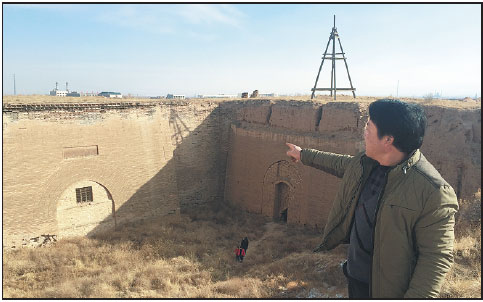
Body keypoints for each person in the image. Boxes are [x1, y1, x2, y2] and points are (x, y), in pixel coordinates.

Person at [285, 99, 458, 298]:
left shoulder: (433, 192)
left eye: (368, 126)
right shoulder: (367, 163)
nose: (364, 132)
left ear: (388, 140)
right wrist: (303, 155)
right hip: (356, 276)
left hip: (387, 291)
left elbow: (436, 258)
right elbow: (341, 164)